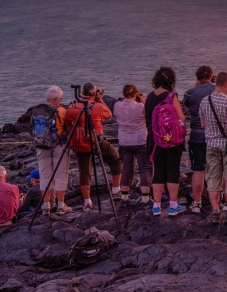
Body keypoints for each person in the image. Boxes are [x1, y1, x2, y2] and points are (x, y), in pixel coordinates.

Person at [64, 82, 123, 212]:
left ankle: (87, 202)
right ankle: (116, 190)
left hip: (79, 143)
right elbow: (108, 114)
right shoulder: (98, 107)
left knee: (84, 172)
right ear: (94, 93)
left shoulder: (72, 107)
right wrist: (100, 99)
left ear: (81, 93)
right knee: (115, 160)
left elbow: (68, 123)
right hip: (97, 141)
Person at [147, 67, 187, 217]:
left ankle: (156, 207)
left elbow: (147, 119)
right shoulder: (171, 96)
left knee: (158, 171)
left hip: (155, 140)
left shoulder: (150, 97)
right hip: (172, 140)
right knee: (173, 170)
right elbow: (181, 117)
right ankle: (173, 205)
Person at [199, 71, 227, 223]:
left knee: (213, 178)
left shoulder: (204, 101)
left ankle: (215, 211)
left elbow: (203, 124)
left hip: (211, 144)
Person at [182, 65, 216, 214]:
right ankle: (218, 201)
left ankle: (197, 203)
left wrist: (197, 86)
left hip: (197, 135)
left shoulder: (190, 93)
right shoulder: (219, 89)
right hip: (215, 135)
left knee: (198, 170)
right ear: (212, 76)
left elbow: (187, 104)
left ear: (197, 78)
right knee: (217, 169)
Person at [114, 83, 152, 206]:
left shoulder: (117, 105)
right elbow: (148, 116)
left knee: (126, 169)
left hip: (124, 141)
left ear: (123, 94)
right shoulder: (140, 106)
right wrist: (144, 101)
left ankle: (124, 197)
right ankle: (145, 199)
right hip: (140, 140)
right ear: (135, 94)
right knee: (144, 168)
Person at [35, 86, 71, 214]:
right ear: (56, 99)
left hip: (41, 145)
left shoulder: (39, 110)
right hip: (59, 145)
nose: (60, 100)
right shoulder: (62, 110)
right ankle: (61, 205)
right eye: (60, 98)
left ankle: (45, 206)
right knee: (61, 174)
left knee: (44, 175)